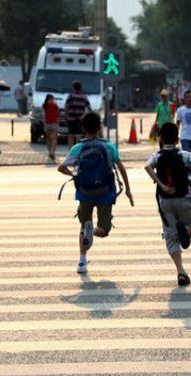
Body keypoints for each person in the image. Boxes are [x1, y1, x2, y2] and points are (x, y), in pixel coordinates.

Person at [58, 112, 134, 274]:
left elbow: (61, 167)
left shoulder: (78, 147)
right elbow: (120, 167)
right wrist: (127, 189)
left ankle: (82, 261)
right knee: (104, 229)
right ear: (100, 127)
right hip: (105, 192)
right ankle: (92, 231)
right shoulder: (108, 146)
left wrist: (75, 175)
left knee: (83, 226)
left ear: (83, 128)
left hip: (84, 192)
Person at [144, 122, 191, 286]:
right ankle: (187, 230)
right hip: (184, 198)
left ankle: (181, 272)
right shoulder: (185, 155)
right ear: (177, 139)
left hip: (165, 202)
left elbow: (147, 167)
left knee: (170, 237)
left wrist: (162, 185)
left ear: (160, 138)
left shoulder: (157, 156)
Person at [65, 80, 91, 148]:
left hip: (71, 118)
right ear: (81, 87)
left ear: (73, 87)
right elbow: (89, 107)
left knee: (71, 135)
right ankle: (78, 149)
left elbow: (67, 106)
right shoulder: (84, 96)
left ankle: (71, 150)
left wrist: (66, 116)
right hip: (80, 118)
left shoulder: (71, 96)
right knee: (79, 135)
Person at [43, 94, 59, 161]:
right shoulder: (55, 105)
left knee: (48, 138)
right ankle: (53, 152)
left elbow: (44, 114)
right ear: (52, 98)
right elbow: (57, 113)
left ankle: (49, 152)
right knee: (54, 139)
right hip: (54, 122)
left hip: (47, 123)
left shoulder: (44, 105)